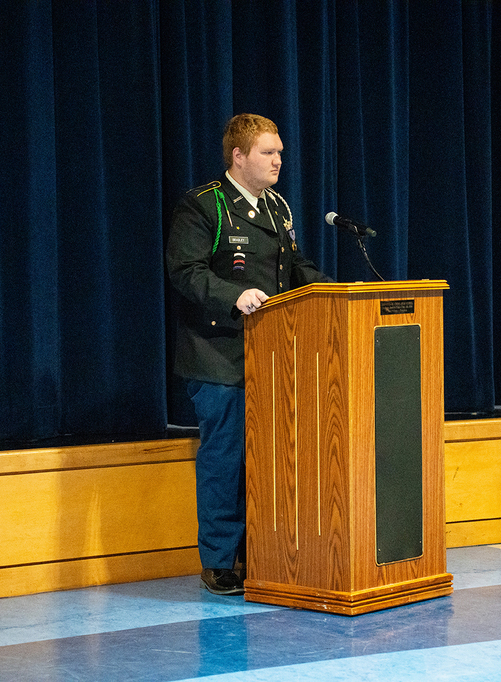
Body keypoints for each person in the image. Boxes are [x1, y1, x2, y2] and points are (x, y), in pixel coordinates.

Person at [165, 113, 332, 596]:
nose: (279, 160)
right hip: (219, 356)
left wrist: (338, 291)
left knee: (268, 461)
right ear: (238, 157)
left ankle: (260, 553)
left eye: (280, 152)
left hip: (275, 355)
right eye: (268, 152)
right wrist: (232, 296)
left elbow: (294, 266)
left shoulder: (277, 207)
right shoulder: (204, 206)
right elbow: (185, 272)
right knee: (226, 458)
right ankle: (219, 561)